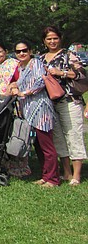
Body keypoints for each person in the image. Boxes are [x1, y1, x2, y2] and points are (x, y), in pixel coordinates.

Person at [41, 26, 86, 186]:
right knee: (58, 138)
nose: (52, 41)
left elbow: (81, 75)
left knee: (74, 135)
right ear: (44, 41)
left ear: (60, 39)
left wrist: (62, 73)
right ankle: (66, 172)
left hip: (70, 101)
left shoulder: (69, 55)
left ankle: (77, 175)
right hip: (50, 104)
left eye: (55, 38)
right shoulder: (41, 58)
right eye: (49, 39)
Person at [11, 40, 59, 187]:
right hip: (29, 111)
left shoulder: (36, 63)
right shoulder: (21, 67)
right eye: (18, 51)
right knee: (38, 145)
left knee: (47, 146)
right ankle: (46, 176)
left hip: (40, 109)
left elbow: (40, 82)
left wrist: (23, 92)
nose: (21, 53)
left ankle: (53, 179)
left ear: (30, 51)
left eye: (24, 50)